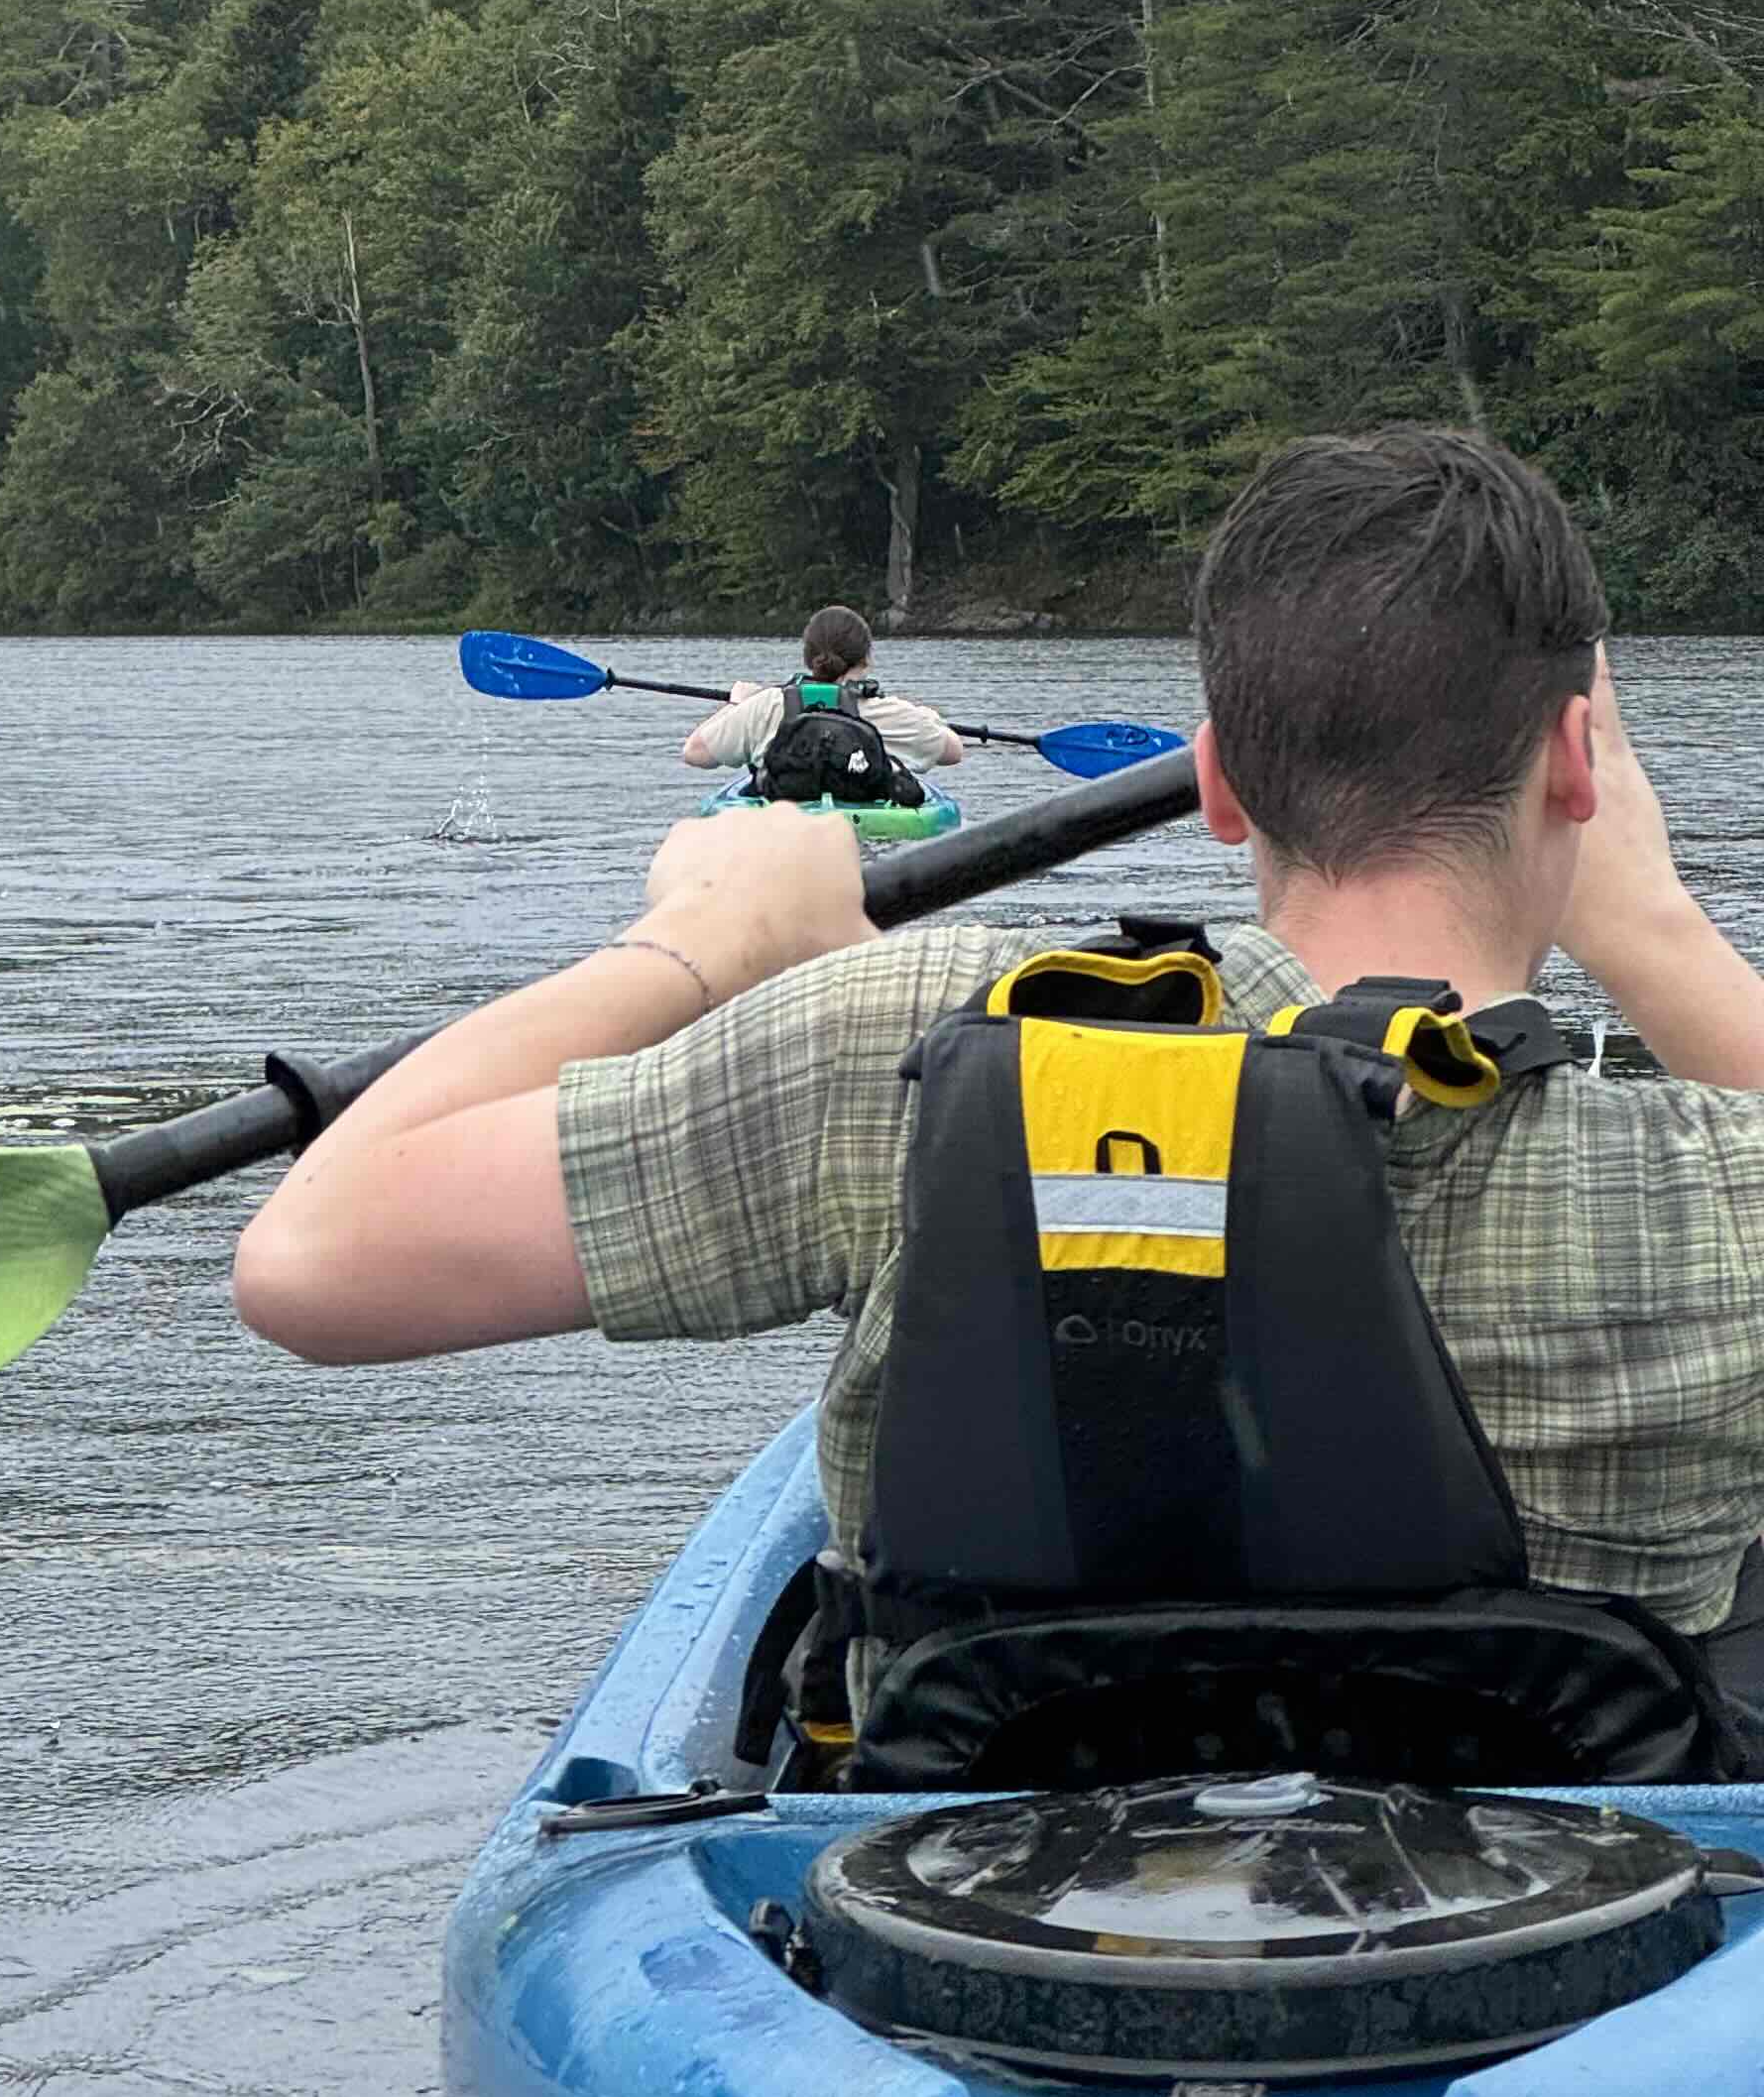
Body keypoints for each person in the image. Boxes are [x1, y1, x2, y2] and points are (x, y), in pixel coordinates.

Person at [234, 429, 1764, 1732]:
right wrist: (1657, 931)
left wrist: (690, 948)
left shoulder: (896, 1041)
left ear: (1221, 783)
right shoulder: (1722, 1182)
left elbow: (312, 1263)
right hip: (1546, 1927)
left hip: (979, 1925)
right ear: (1579, 767)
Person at [679, 605, 964, 803]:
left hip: (783, 825)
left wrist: (736, 704)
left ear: (808, 657)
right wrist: (928, 717)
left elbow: (695, 753)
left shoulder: (767, 706)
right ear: (866, 660)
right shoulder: (891, 712)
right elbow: (953, 752)